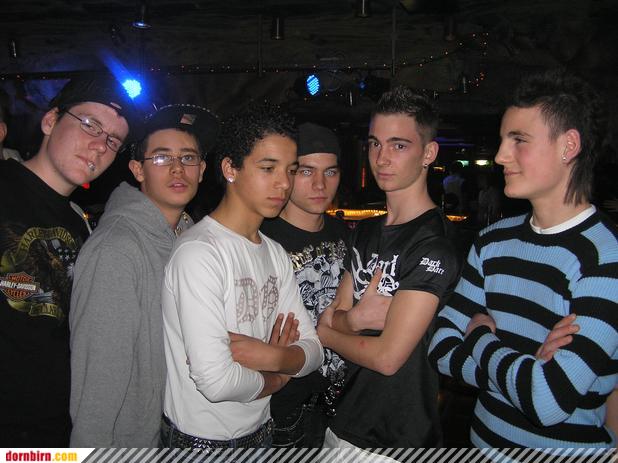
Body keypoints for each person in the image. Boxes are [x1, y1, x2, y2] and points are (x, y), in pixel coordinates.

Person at [429, 69, 617, 450]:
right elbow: (440, 347)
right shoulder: (491, 241)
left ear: (569, 146)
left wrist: (480, 337)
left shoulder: (605, 257)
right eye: (503, 140)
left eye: (518, 140)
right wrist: (526, 369)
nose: (500, 156)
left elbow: (547, 402)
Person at [160, 103, 324, 449]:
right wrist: (279, 378)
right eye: (268, 168)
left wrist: (272, 357)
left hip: (262, 430)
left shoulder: (274, 252)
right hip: (202, 443)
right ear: (230, 169)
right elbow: (216, 382)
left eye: (291, 170)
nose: (284, 183)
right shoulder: (200, 253)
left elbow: (314, 351)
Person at [316, 86, 460, 454]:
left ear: (428, 153)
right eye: (375, 144)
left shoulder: (433, 245)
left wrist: (329, 334)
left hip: (394, 439)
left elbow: (388, 358)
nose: (381, 158)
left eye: (399, 145)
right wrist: (353, 320)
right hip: (343, 420)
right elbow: (336, 314)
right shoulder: (365, 231)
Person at [0, 74, 139, 446]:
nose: (100, 145)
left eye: (113, 140)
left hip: (57, 430)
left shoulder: (83, 226)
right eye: (90, 124)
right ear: (50, 121)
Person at [69, 104, 217, 447]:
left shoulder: (190, 238)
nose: (178, 168)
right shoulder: (116, 249)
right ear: (138, 169)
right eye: (162, 158)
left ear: (201, 170)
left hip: (179, 433)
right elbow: (98, 378)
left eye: (188, 158)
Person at [261, 122, 348, 448]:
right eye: (306, 171)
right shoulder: (261, 239)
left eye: (330, 172)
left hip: (343, 402)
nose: (319, 184)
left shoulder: (347, 235)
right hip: (287, 408)